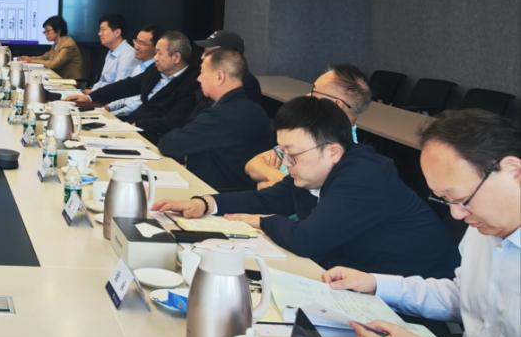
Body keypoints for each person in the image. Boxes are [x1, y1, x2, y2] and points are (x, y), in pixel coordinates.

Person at [152, 96, 458, 278]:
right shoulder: (317, 170)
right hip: (359, 275)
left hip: (411, 297)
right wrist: (206, 203)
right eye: (283, 152)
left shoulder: (364, 177)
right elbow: (272, 198)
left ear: (333, 151)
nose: (286, 163)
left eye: (293, 155)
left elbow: (307, 240)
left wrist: (264, 222)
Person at [322, 110, 519, 337]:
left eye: (462, 198)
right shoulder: (482, 227)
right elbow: (463, 295)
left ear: (513, 171)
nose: (456, 215)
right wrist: (377, 284)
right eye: (445, 200)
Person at [158, 48, 274, 192]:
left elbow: (170, 144)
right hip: (239, 191)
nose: (198, 78)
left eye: (202, 72)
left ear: (219, 77)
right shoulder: (253, 109)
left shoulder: (224, 115)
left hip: (219, 194)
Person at [245, 64, 370, 189]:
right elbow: (252, 165)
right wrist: (275, 178)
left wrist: (271, 184)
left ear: (335, 104)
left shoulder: (342, 153)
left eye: (315, 92)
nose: (307, 95)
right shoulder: (307, 130)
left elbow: (301, 195)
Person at [65, 31, 199, 140]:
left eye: (159, 53)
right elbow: (129, 85)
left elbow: (173, 121)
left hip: (154, 138)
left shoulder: (190, 84)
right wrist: (90, 98)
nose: (155, 58)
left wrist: (136, 125)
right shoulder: (155, 70)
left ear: (176, 57)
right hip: (131, 127)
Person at [106, 24, 163, 119]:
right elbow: (124, 93)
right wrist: (108, 107)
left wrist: (112, 114)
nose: (136, 46)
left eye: (142, 43)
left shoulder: (157, 71)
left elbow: (136, 105)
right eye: (136, 41)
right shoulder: (139, 67)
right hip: (120, 112)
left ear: (156, 48)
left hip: (132, 117)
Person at [193, 30, 262, 103]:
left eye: (208, 52)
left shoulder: (247, 83)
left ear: (229, 55)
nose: (202, 56)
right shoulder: (207, 74)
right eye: (204, 51)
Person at [17, 15, 84, 81]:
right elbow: (44, 57)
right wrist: (29, 58)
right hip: (61, 81)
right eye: (45, 32)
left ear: (58, 30)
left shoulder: (67, 44)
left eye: (48, 31)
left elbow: (53, 64)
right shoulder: (56, 44)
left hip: (73, 83)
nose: (46, 34)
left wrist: (30, 61)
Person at [85, 13, 137, 93]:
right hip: (102, 95)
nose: (99, 33)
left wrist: (93, 96)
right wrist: (92, 91)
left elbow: (119, 88)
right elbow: (103, 81)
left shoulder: (128, 55)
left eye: (103, 30)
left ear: (117, 32)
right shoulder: (111, 51)